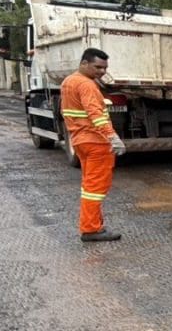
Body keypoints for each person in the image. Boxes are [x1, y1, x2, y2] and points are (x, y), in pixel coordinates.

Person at [60, 48, 126, 241]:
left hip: (80, 140)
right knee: (96, 188)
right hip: (95, 142)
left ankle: (92, 225)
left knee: (89, 187)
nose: (102, 71)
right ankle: (91, 229)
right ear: (84, 63)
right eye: (97, 67)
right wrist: (113, 137)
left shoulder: (68, 82)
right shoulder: (87, 85)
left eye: (105, 68)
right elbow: (96, 114)